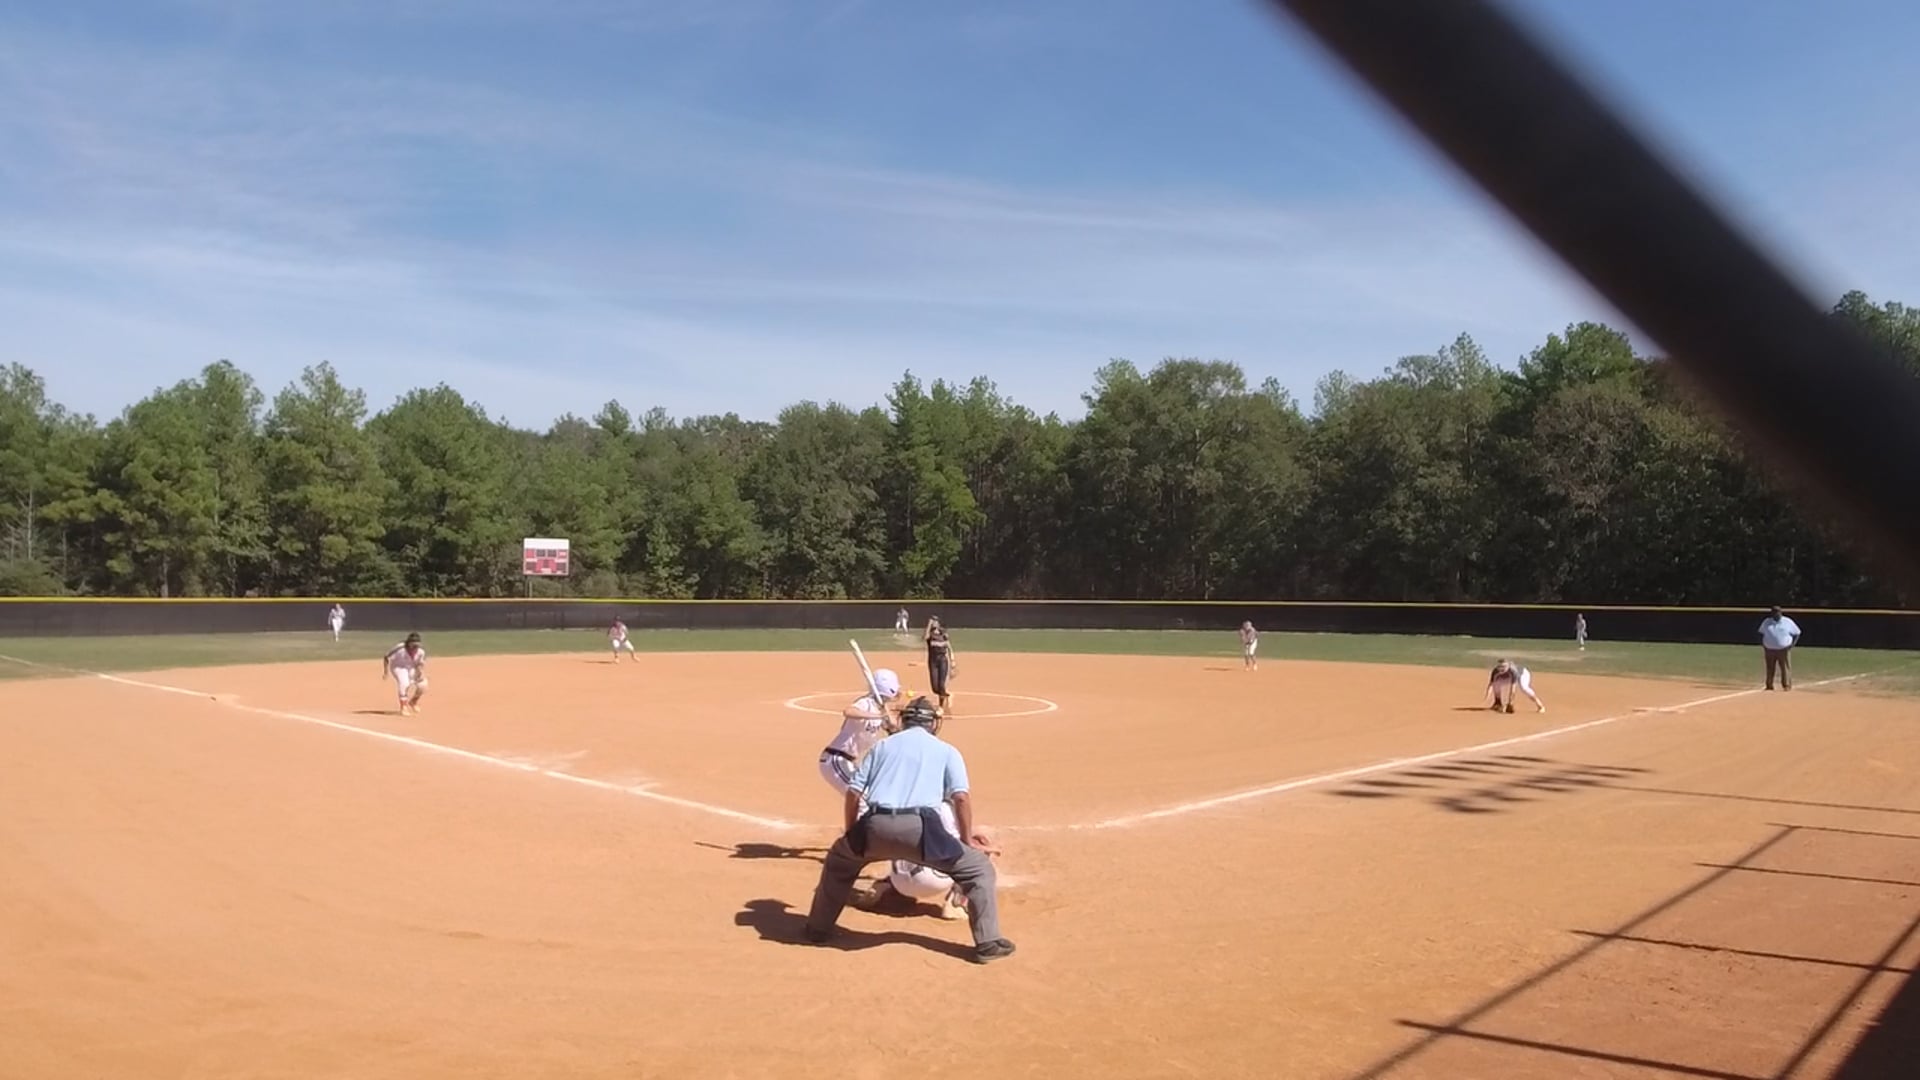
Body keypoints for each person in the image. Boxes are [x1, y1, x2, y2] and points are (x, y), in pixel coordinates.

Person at [804, 696, 1014, 964]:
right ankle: (988, 943)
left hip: (875, 825)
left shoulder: (882, 746)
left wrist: (852, 832)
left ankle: (817, 930)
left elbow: (854, 793)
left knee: (838, 863)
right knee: (978, 869)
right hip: (922, 830)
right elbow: (961, 798)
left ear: (904, 720)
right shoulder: (947, 750)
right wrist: (965, 840)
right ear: (933, 724)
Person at [819, 668, 904, 795]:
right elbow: (848, 711)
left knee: (868, 795)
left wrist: (890, 722)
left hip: (849, 761)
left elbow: (892, 728)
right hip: (835, 759)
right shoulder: (866, 703)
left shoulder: (880, 707)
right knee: (860, 796)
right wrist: (878, 716)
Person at [383, 632, 429, 716]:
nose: (415, 647)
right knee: (404, 683)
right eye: (413, 644)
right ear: (409, 643)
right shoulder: (400, 648)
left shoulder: (421, 652)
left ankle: (413, 701)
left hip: (411, 667)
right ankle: (403, 707)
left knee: (423, 685)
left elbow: (420, 663)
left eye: (417, 645)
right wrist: (386, 672)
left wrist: (420, 672)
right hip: (398, 667)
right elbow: (386, 656)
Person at [1760, 605, 1802, 690]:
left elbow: (1797, 633)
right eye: (1774, 612)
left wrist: (1792, 645)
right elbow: (1761, 632)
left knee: (1785, 668)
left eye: (1777, 612)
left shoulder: (1787, 621)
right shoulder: (1767, 622)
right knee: (1770, 667)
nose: (1775, 614)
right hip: (1769, 649)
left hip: (1783, 649)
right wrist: (1763, 644)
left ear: (1780, 613)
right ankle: (1769, 685)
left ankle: (1786, 685)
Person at [925, 615, 956, 713]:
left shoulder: (943, 634)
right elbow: (925, 637)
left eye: (935, 621)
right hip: (932, 661)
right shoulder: (930, 636)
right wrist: (929, 625)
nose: (934, 622)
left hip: (942, 661)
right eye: (933, 621)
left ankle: (941, 707)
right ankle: (946, 695)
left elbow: (949, 647)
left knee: (941, 685)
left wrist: (952, 660)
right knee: (935, 688)